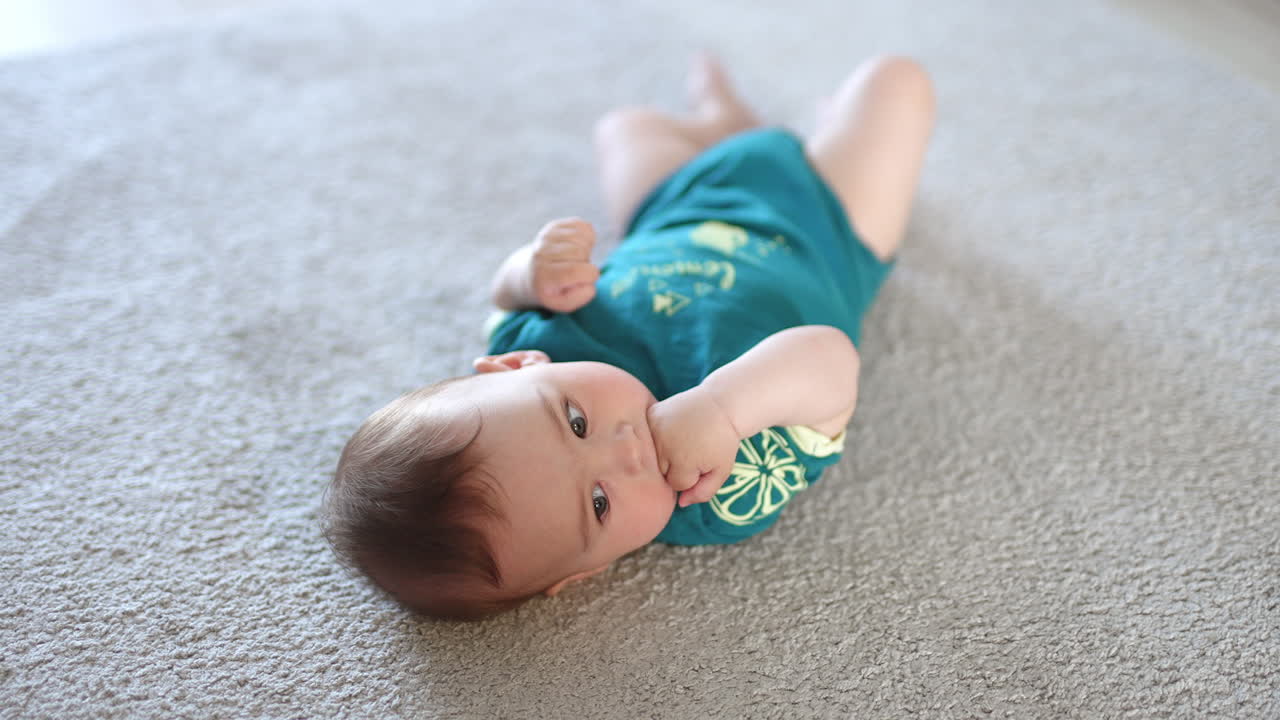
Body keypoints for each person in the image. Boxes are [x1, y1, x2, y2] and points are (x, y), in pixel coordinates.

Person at [323, 53, 936, 620]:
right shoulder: (718, 495)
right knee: (896, 84)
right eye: (598, 503)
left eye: (575, 421)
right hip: (825, 228)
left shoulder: (539, 336)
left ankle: (725, 126)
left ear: (513, 366)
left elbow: (501, 296)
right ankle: (787, 134)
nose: (625, 450)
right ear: (586, 573)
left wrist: (529, 271)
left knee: (623, 129)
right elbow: (831, 358)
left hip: (675, 204)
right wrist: (722, 409)